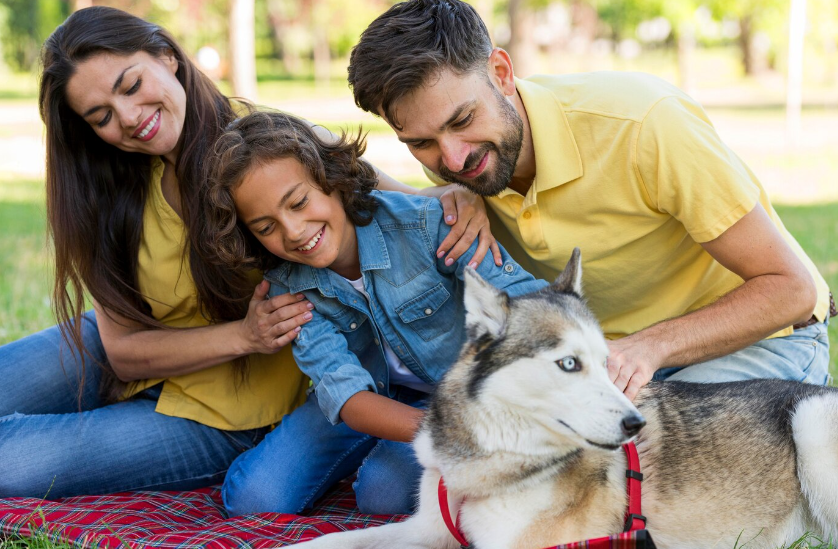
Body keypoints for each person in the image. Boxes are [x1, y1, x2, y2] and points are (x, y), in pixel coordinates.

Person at [0, 6, 495, 499]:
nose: (128, 118)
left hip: (227, 408)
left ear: (167, 56)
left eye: (130, 86)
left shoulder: (272, 149)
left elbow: (394, 204)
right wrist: (243, 333)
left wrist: (463, 197)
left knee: (13, 463)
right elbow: (123, 352)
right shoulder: (107, 188)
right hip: (137, 349)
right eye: (101, 116)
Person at [346, 0, 835, 402]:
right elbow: (390, 191)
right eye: (422, 143)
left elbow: (791, 289)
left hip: (760, 342)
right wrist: (447, 193)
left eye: (462, 120)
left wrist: (650, 346)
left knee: (625, 471)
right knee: (420, 482)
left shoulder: (645, 124)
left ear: (500, 73)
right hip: (610, 360)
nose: (452, 157)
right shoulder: (465, 167)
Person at [199, 111, 547, 516]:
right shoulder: (288, 289)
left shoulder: (424, 224)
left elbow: (526, 300)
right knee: (255, 500)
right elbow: (349, 398)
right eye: (265, 226)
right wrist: (453, 434)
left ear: (332, 179)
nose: (293, 231)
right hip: (370, 400)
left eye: (298, 202)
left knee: (383, 494)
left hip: (460, 391)